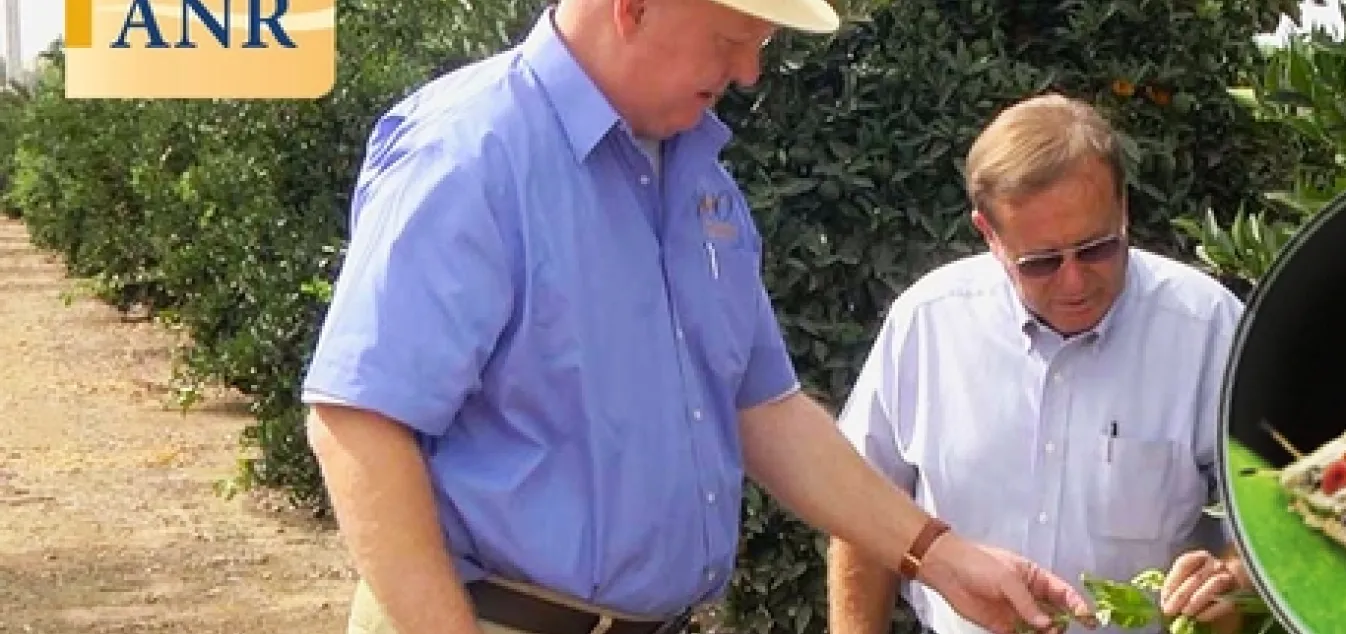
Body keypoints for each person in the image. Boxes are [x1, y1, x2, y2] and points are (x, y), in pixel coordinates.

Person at [297, 1, 1100, 633]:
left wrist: (940, 556)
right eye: (729, 40)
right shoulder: (469, 154)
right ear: (632, 7)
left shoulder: (699, 180)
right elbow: (357, 420)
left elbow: (765, 408)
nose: (749, 72)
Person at [824, 94, 1255, 634]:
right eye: (1041, 263)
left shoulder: (1208, 327)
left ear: (1124, 207)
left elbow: (1275, 516)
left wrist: (1233, 579)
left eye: (1097, 248)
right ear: (988, 234)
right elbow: (862, 513)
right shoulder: (928, 322)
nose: (1074, 282)